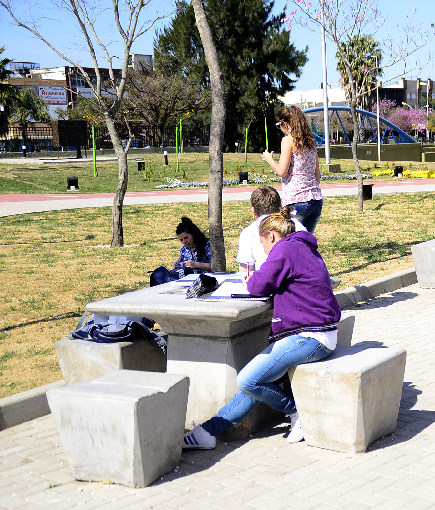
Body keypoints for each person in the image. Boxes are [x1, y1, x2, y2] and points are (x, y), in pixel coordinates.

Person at [183, 206, 341, 450]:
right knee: (255, 384)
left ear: (271, 236)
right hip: (316, 333)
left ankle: (298, 411)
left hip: (309, 337)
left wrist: (252, 277)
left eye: (263, 244)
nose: (264, 251)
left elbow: (258, 284)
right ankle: (207, 431)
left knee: (247, 380)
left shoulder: (285, 248)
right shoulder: (303, 246)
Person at [261, 105, 323, 234]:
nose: (281, 130)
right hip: (316, 200)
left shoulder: (288, 140)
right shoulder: (310, 141)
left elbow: (281, 171)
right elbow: (317, 176)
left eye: (280, 126)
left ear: (285, 124)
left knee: (290, 242)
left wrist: (269, 159)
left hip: (296, 200)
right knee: (306, 243)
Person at [237, 185, 306, 273]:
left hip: (268, 281)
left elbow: (245, 270)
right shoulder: (297, 224)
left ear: (254, 211)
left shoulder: (249, 232)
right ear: (280, 207)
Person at [150, 217, 211, 286]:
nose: (184, 242)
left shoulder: (207, 245)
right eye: (181, 240)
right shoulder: (185, 249)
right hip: (185, 278)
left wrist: (196, 265)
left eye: (186, 238)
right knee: (159, 273)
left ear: (194, 234)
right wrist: (177, 265)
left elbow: (214, 266)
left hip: (203, 279)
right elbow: (180, 261)